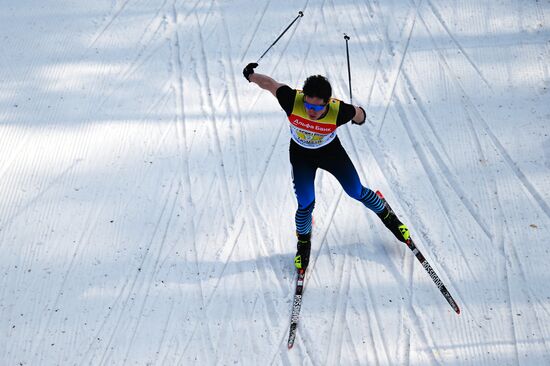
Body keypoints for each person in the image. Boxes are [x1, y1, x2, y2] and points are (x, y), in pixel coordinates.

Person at [243, 62, 409, 271]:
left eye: (317, 107)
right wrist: (250, 75)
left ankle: (387, 214)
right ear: (304, 97)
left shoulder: (338, 110)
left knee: (355, 190)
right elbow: (269, 84)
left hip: (330, 153)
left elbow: (360, 114)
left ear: (327, 103)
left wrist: (359, 117)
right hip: (301, 155)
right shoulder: (292, 99)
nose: (311, 111)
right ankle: (303, 242)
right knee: (305, 202)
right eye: (308, 106)